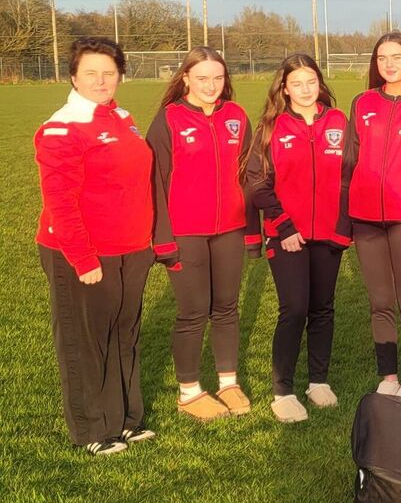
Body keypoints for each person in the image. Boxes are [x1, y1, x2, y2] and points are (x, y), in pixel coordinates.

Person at [35, 37, 155, 455]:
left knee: (124, 334)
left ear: (120, 75)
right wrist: (82, 257)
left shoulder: (122, 116)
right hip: (83, 252)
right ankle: (92, 430)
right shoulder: (62, 126)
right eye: (91, 73)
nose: (101, 80)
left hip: (132, 248)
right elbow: (59, 200)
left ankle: (125, 419)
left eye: (109, 72)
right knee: (86, 340)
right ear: (73, 76)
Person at [148, 47, 260, 421]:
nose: (211, 85)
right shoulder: (169, 119)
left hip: (229, 229)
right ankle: (190, 391)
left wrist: (251, 229)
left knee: (226, 308)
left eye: (217, 78)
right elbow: (156, 184)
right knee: (193, 312)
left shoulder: (236, 117)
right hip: (185, 234)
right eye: (202, 78)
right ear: (185, 79)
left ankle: (228, 382)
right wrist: (163, 238)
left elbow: (248, 178)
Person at [244, 54, 351, 423]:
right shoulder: (272, 127)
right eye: (297, 84)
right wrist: (284, 226)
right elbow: (257, 183)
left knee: (323, 309)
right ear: (284, 88)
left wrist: (343, 228)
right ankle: (283, 391)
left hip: (328, 235)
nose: (305, 90)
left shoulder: (338, 122)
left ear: (320, 84)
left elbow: (350, 177)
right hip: (287, 236)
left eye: (311, 82)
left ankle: (318, 382)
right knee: (294, 310)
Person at [341, 31, 401, 397]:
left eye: (397, 56)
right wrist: (345, 215)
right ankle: (388, 378)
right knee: (380, 302)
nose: (390, 64)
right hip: (366, 218)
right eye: (382, 58)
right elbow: (350, 160)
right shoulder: (362, 102)